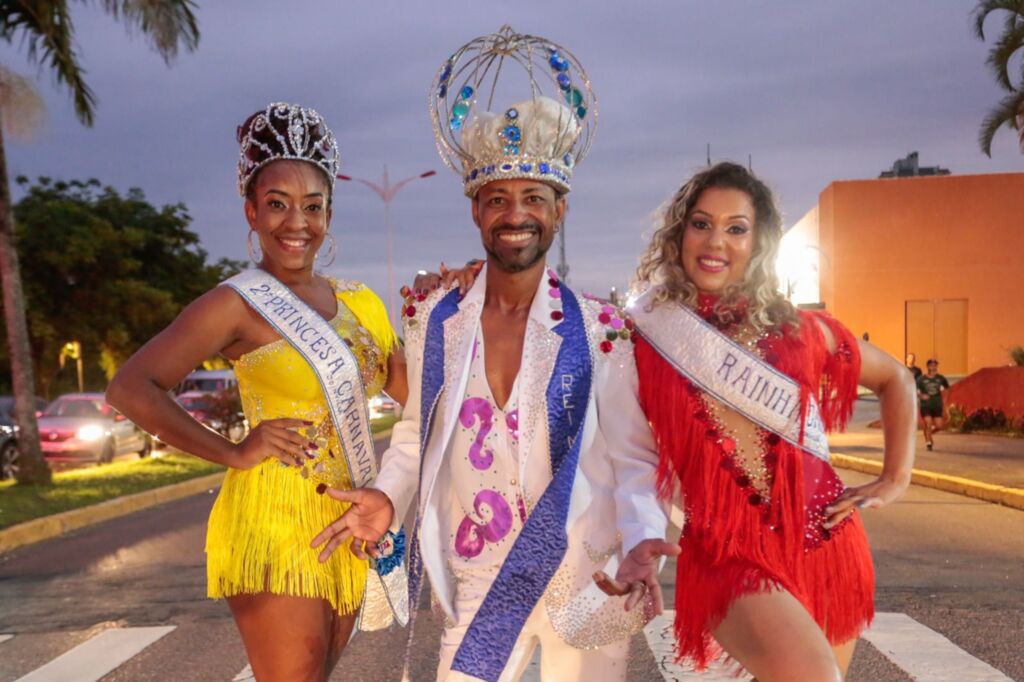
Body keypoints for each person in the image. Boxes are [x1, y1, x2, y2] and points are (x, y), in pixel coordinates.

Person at [312, 27, 675, 682]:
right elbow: (413, 442)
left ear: (558, 212)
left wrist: (645, 535)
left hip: (585, 577)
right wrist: (387, 501)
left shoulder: (602, 329)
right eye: (498, 198)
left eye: (534, 198)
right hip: (483, 579)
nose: (516, 214)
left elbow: (631, 457)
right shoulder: (434, 320)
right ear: (477, 212)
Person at [107, 102, 408, 681]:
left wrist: (456, 300)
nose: (297, 222)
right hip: (273, 517)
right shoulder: (236, 303)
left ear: (329, 214)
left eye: (313, 207)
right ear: (251, 211)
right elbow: (131, 387)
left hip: (348, 516)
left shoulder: (362, 303)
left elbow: (420, 395)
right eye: (277, 205)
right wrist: (235, 451)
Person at [621, 162, 917, 681]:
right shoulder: (643, 336)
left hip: (827, 544)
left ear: (759, 243)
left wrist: (895, 478)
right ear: (679, 232)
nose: (716, 241)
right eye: (701, 223)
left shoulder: (801, 329)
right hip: (727, 552)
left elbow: (897, 379)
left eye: (737, 228)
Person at [917, 358, 949, 451]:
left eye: (935, 365)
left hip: (937, 405)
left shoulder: (940, 378)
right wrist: (921, 395)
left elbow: (947, 389)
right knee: (929, 422)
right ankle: (928, 442)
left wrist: (945, 401)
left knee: (940, 426)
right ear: (928, 366)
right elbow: (915, 390)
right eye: (931, 365)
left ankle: (928, 433)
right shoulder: (921, 379)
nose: (933, 367)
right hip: (925, 405)